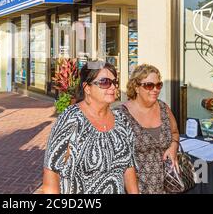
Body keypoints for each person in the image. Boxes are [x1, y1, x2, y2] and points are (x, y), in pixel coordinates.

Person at [43, 61, 139, 194]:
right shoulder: (71, 119)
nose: (112, 87)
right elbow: (51, 172)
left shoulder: (122, 120)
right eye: (105, 82)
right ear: (87, 88)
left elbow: (129, 167)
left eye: (114, 82)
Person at [122, 64, 180, 194]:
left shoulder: (164, 108)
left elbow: (175, 132)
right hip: (136, 188)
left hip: (167, 186)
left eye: (158, 85)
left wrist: (173, 146)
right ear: (136, 87)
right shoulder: (121, 114)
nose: (155, 89)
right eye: (149, 85)